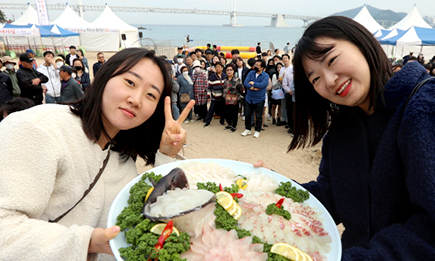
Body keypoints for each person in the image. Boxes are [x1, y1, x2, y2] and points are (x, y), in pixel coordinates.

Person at [0, 48, 195, 260]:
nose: (136, 99)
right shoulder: (37, 128)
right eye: (130, 82)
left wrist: (165, 155)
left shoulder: (122, 159)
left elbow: (143, 215)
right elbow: (4, 228)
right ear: (104, 77)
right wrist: (86, 242)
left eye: (150, 95)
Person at [285, 16, 435, 259]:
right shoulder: (342, 128)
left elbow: (430, 224)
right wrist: (269, 187)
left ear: (363, 42)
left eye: (332, 60)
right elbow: (331, 196)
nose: (330, 80)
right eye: (316, 79)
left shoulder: (424, 105)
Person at [241, 59, 269, 138]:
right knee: (247, 114)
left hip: (259, 99)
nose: (255, 66)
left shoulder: (265, 76)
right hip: (249, 98)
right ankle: (247, 129)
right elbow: (246, 82)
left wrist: (253, 83)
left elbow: (263, 85)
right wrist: (252, 88)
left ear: (262, 67)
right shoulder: (251, 73)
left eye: (257, 66)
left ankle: (257, 130)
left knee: (259, 116)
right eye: (255, 65)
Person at [204, 62, 227, 127]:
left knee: (223, 110)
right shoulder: (212, 76)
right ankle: (207, 122)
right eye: (216, 67)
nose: (218, 68)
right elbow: (209, 88)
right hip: (215, 96)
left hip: (223, 97)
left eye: (219, 67)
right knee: (211, 110)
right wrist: (208, 96)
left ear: (222, 68)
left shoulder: (225, 76)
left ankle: (222, 121)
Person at [223, 65, 243, 132]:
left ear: (233, 71)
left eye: (231, 70)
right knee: (227, 113)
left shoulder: (237, 79)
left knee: (234, 113)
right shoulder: (225, 79)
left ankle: (234, 126)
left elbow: (241, 89)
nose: (229, 71)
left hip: (234, 99)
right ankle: (229, 124)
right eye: (227, 70)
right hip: (226, 99)